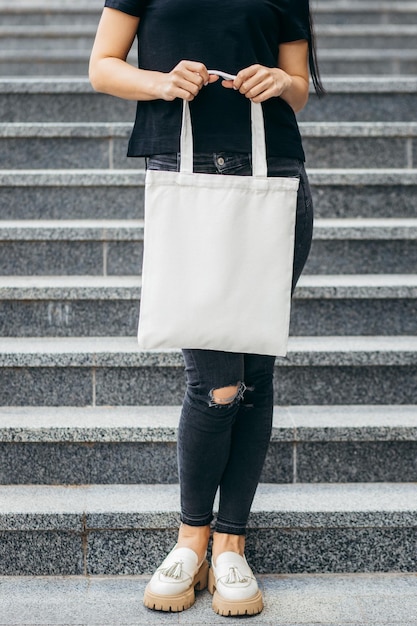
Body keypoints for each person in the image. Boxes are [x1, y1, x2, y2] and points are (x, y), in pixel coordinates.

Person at [89, 0, 324, 617]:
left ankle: (231, 542)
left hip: (275, 177)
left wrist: (281, 82)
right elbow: (104, 65)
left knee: (258, 366)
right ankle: (192, 537)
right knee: (217, 383)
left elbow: (298, 87)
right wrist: (163, 82)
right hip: (187, 171)